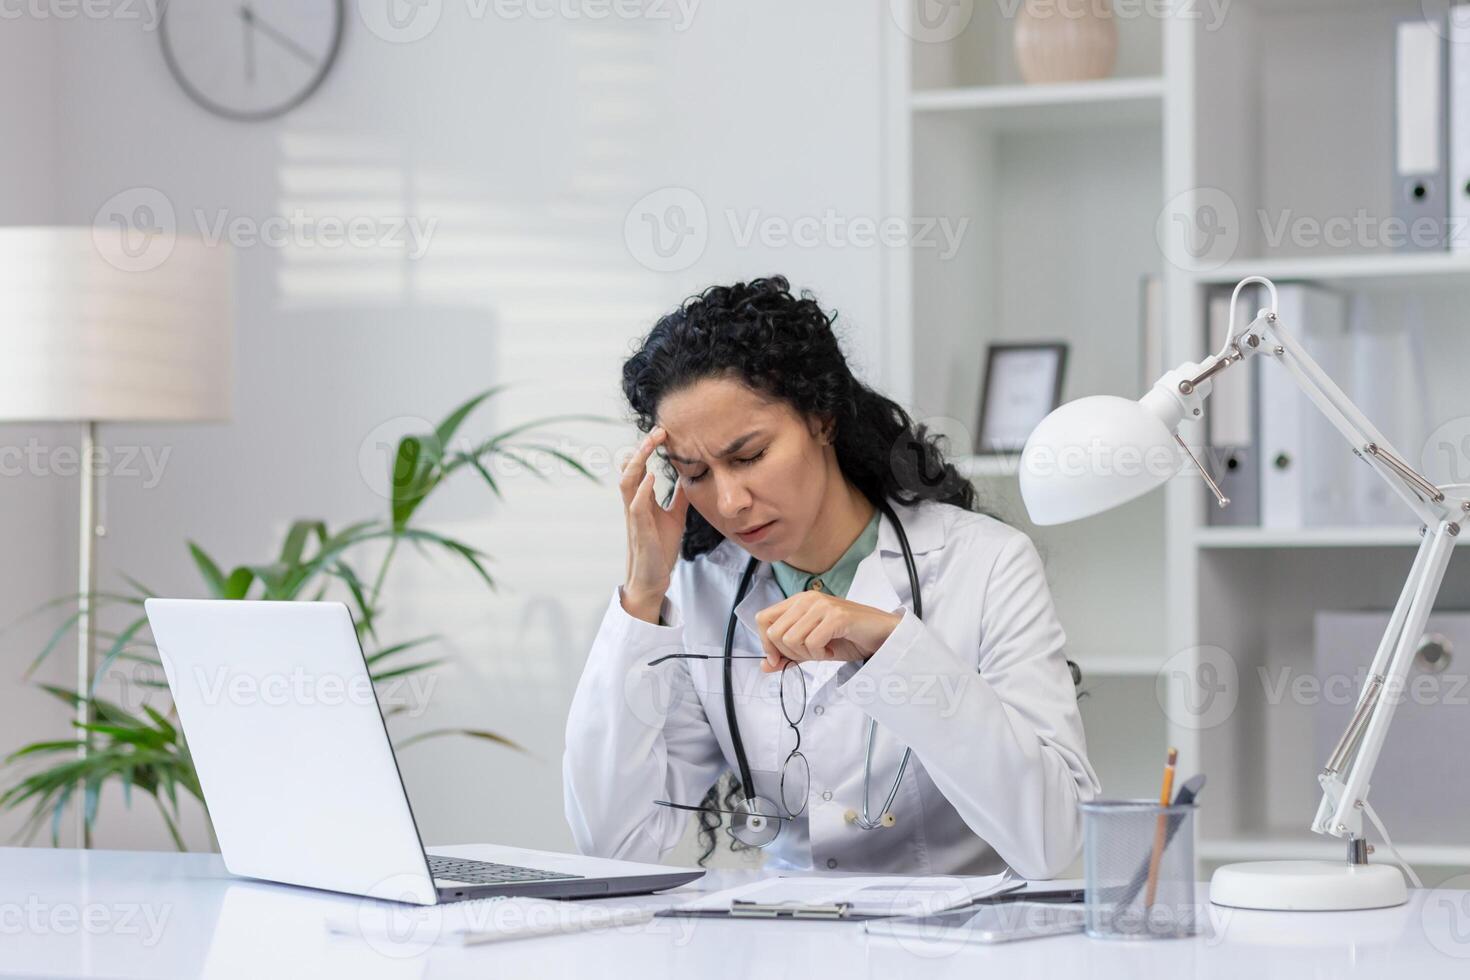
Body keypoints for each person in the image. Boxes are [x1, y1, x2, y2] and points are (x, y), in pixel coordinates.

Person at [563, 276, 1099, 878]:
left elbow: (1053, 841)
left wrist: (894, 648)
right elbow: (613, 846)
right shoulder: (701, 590)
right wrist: (642, 596)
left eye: (748, 456)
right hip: (789, 942)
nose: (731, 500)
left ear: (821, 419)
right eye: (695, 472)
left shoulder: (986, 563)